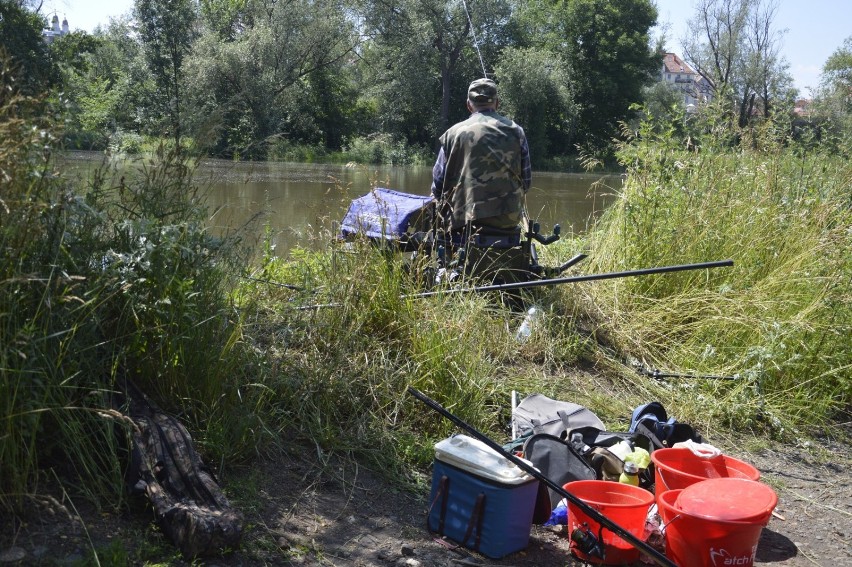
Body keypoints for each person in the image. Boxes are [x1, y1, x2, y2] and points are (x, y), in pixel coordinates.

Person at [430, 78, 531, 235]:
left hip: (462, 219)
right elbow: (526, 182)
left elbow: (438, 184)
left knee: (433, 201)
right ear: (497, 103)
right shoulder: (517, 131)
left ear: (469, 105)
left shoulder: (452, 133)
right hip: (507, 220)